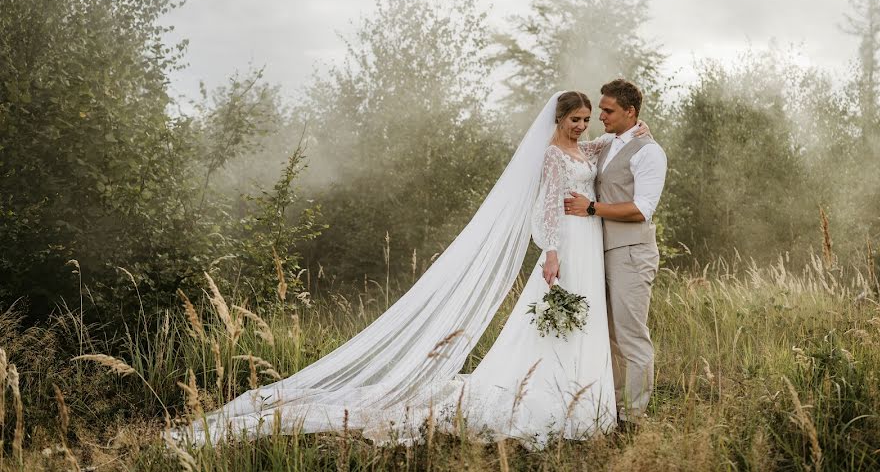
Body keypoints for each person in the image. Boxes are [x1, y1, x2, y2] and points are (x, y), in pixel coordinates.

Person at [169, 91, 648, 448]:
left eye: (588, 119)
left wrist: (635, 132)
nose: (583, 126)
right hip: (567, 239)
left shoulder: (585, 151)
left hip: (592, 237)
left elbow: (608, 145)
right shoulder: (549, 155)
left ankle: (587, 394)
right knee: (551, 315)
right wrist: (549, 251)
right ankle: (547, 391)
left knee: (587, 320)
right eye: (576, 119)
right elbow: (545, 206)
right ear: (558, 119)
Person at [564, 79, 667, 423]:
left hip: (632, 253)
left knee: (631, 336)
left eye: (608, 111)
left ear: (630, 112)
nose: (601, 116)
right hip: (600, 252)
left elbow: (642, 208)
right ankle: (614, 407)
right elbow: (570, 145)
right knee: (607, 335)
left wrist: (591, 208)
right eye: (601, 109)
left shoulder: (650, 152)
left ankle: (635, 417)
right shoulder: (608, 142)